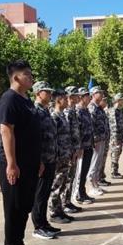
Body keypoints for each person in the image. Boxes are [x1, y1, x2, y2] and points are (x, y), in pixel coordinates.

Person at [0, 59, 42, 245]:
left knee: (24, 206)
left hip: (29, 163)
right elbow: (6, 131)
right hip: (14, 163)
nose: (31, 78)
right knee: (13, 207)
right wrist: (11, 163)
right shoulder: (9, 99)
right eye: (27, 74)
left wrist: (38, 161)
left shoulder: (26, 99)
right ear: (16, 77)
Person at [30, 81, 60, 240]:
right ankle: (38, 226)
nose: (49, 94)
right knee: (39, 194)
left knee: (46, 192)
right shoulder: (35, 111)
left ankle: (44, 222)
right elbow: (35, 138)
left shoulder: (45, 110)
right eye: (46, 92)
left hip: (50, 158)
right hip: (42, 160)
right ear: (38, 93)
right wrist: (39, 160)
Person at [49, 88, 76, 225]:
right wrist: (58, 156)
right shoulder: (54, 117)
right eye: (65, 99)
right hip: (59, 157)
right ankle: (54, 212)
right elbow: (53, 139)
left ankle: (59, 210)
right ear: (58, 100)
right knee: (56, 184)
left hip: (66, 155)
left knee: (63, 184)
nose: (67, 101)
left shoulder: (62, 115)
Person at [61, 88, 83, 215]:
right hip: (68, 150)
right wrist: (73, 149)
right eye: (75, 95)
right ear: (70, 97)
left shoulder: (73, 111)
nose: (78, 97)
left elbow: (76, 131)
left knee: (71, 176)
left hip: (74, 149)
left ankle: (68, 201)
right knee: (67, 178)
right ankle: (64, 203)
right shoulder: (67, 112)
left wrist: (78, 147)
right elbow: (67, 133)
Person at [87, 86, 109, 196]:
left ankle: (95, 184)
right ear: (93, 94)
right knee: (94, 163)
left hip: (102, 138)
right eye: (99, 92)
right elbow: (91, 125)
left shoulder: (98, 107)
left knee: (98, 163)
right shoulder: (92, 107)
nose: (101, 94)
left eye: (101, 92)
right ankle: (91, 186)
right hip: (96, 140)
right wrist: (94, 139)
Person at [75, 87, 95, 205]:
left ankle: (83, 192)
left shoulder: (86, 110)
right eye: (87, 96)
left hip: (89, 145)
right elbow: (77, 131)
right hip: (82, 148)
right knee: (80, 172)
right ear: (81, 97)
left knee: (85, 171)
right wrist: (79, 147)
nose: (89, 98)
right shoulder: (77, 111)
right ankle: (78, 195)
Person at [108, 93, 123, 180]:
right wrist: (116, 138)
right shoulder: (113, 111)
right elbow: (114, 126)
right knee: (115, 154)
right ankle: (114, 172)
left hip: (119, 137)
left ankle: (115, 171)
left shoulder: (119, 111)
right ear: (118, 100)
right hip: (115, 138)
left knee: (117, 154)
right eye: (122, 100)